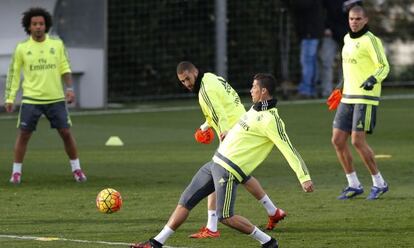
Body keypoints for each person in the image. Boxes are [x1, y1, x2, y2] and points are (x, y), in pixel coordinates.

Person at [130, 73, 313, 248]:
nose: (250, 90)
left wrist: (304, 177)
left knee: (225, 217)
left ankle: (267, 242)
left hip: (228, 170)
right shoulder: (254, 109)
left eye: (254, 87)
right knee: (185, 200)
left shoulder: (271, 120)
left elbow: (289, 149)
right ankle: (156, 242)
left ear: (263, 91)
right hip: (214, 164)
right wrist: (210, 128)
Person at [176, 62, 286, 238]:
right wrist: (205, 126)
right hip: (240, 121)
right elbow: (228, 100)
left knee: (216, 172)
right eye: (183, 81)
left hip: (232, 130)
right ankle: (273, 211)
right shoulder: (211, 77)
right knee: (240, 175)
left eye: (187, 78)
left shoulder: (206, 89)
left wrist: (223, 134)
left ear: (194, 72)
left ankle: (212, 227)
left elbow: (219, 113)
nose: (187, 83)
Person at [4, 7, 86, 184]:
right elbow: (14, 73)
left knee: (65, 132)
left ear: (46, 25)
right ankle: (16, 173)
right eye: (34, 24)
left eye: (41, 23)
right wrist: (10, 98)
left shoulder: (57, 45)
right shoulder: (22, 48)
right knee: (24, 134)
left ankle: (77, 169)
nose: (38, 27)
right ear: (29, 26)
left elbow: (65, 68)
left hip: (55, 99)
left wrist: (70, 89)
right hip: (31, 100)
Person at [331, 5, 389, 200]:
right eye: (351, 19)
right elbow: (349, 69)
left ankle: (379, 183)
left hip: (365, 98)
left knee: (357, 141)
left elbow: (384, 66)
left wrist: (373, 79)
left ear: (365, 20)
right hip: (347, 97)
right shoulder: (347, 39)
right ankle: (354, 184)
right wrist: (340, 87)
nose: (354, 22)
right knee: (337, 141)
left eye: (357, 19)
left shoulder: (371, 41)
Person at [318, 0, 363, 97]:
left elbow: (359, 13)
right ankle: (326, 91)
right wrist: (325, 28)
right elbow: (321, 11)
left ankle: (346, 90)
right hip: (331, 33)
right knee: (326, 61)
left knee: (348, 64)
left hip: (349, 34)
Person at [282, 0, 324, 98]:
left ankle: (306, 90)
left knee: (307, 62)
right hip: (311, 33)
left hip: (309, 33)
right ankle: (312, 89)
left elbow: (301, 5)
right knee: (312, 62)